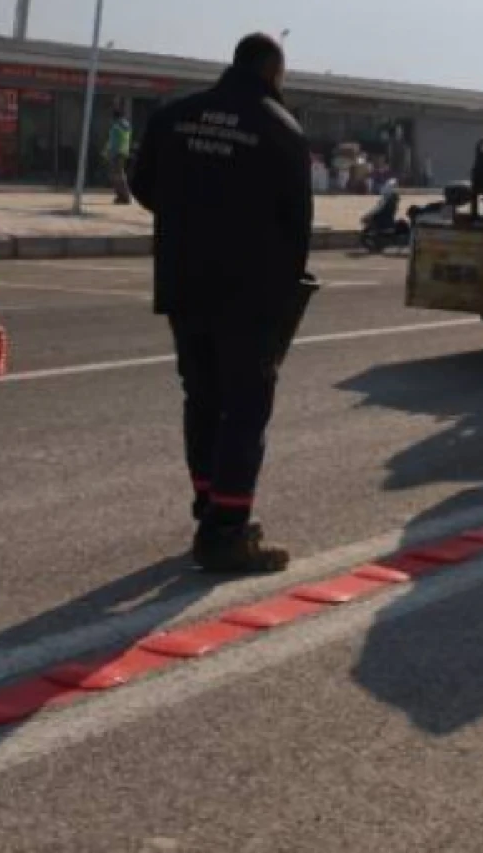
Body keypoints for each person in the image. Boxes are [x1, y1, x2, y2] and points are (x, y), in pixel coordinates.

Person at [130, 33, 313, 573]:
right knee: (245, 406)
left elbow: (143, 186)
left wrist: (191, 217)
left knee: (202, 396)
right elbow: (296, 228)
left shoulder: (173, 117)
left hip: (184, 280)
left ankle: (209, 504)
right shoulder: (279, 129)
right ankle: (227, 532)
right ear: (274, 73)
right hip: (248, 291)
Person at [107, 108, 133, 204]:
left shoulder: (117, 126)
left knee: (118, 175)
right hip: (122, 152)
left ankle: (124, 196)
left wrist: (109, 152)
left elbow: (113, 141)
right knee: (118, 175)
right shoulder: (125, 125)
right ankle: (122, 196)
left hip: (117, 152)